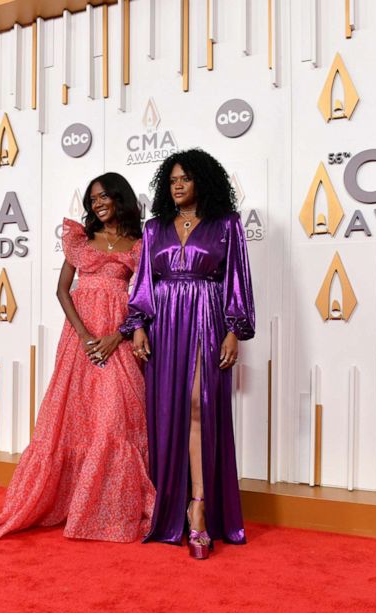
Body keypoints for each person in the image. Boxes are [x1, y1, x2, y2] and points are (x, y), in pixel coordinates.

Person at [0, 172, 155, 542]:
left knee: (115, 419)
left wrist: (117, 336)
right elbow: (63, 291)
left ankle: (108, 509)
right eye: (92, 199)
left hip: (118, 338)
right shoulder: (81, 239)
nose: (97, 204)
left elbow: (143, 299)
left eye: (103, 196)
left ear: (120, 198)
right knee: (76, 418)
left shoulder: (139, 245)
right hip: (81, 341)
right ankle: (66, 501)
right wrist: (83, 336)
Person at [120, 149, 255, 559]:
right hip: (164, 324)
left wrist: (234, 331)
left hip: (207, 319)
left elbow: (236, 279)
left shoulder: (226, 224)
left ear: (203, 182)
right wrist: (138, 324)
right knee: (167, 415)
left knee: (200, 405)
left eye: (186, 179)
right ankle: (171, 505)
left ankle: (199, 507)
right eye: (172, 179)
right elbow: (143, 282)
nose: (177, 185)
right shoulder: (154, 227)